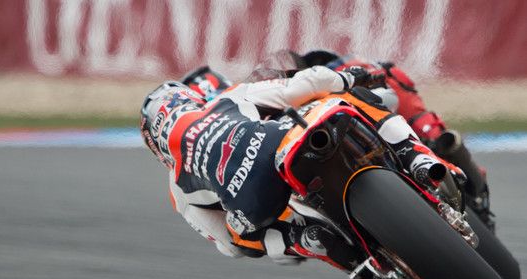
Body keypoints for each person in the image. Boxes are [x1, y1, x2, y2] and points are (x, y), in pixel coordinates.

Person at [140, 66, 450, 266]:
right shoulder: (226, 100)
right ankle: (416, 157)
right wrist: (347, 77)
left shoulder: (177, 187)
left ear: (156, 144)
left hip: (255, 202)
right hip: (277, 142)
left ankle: (307, 241)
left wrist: (248, 225)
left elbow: (229, 245)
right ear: (189, 100)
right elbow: (301, 86)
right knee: (352, 98)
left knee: (244, 235)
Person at [183, 52, 494, 231]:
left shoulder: (254, 90)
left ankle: (438, 160)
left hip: (342, 121)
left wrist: (356, 75)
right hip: (301, 169)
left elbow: (356, 74)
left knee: (395, 92)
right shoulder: (203, 150)